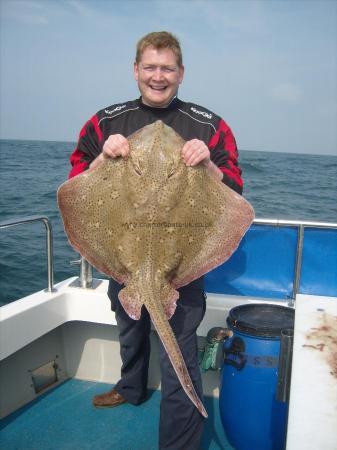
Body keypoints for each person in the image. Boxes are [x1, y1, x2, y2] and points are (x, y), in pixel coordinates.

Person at [68, 31, 243, 450]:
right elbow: (75, 184)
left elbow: (235, 192)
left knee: (177, 352)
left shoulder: (210, 126)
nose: (158, 76)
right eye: (150, 67)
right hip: (123, 256)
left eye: (167, 68)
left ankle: (179, 445)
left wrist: (209, 167)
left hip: (179, 267)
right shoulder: (104, 121)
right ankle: (131, 388)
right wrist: (101, 158)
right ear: (136, 70)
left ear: (181, 73)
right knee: (129, 326)